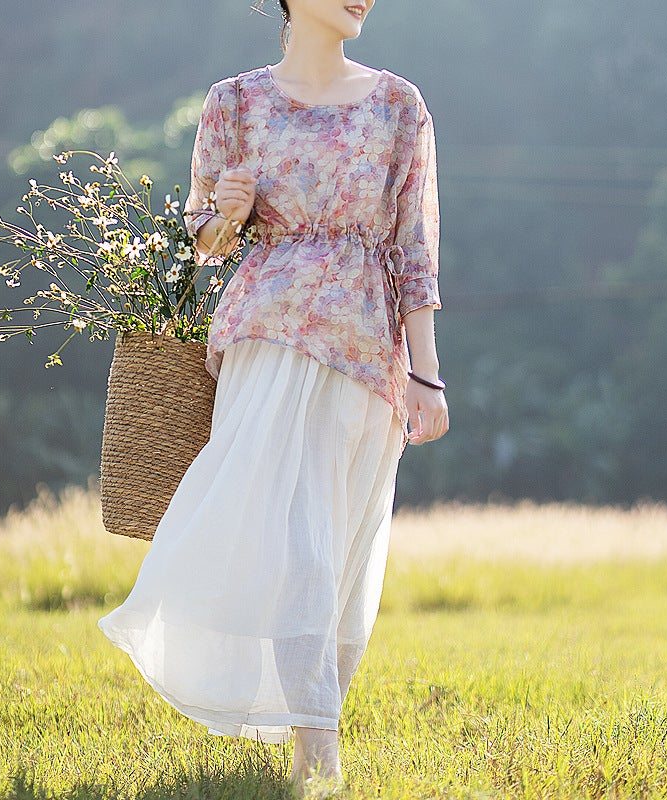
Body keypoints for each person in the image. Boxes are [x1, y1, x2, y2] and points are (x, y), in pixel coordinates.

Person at [98, 0, 449, 793]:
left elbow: (414, 247)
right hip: (267, 337)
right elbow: (207, 244)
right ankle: (318, 748)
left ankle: (313, 722)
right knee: (302, 543)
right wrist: (225, 214)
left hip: (368, 351)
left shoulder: (400, 105)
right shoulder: (235, 103)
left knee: (346, 549)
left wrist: (427, 372)